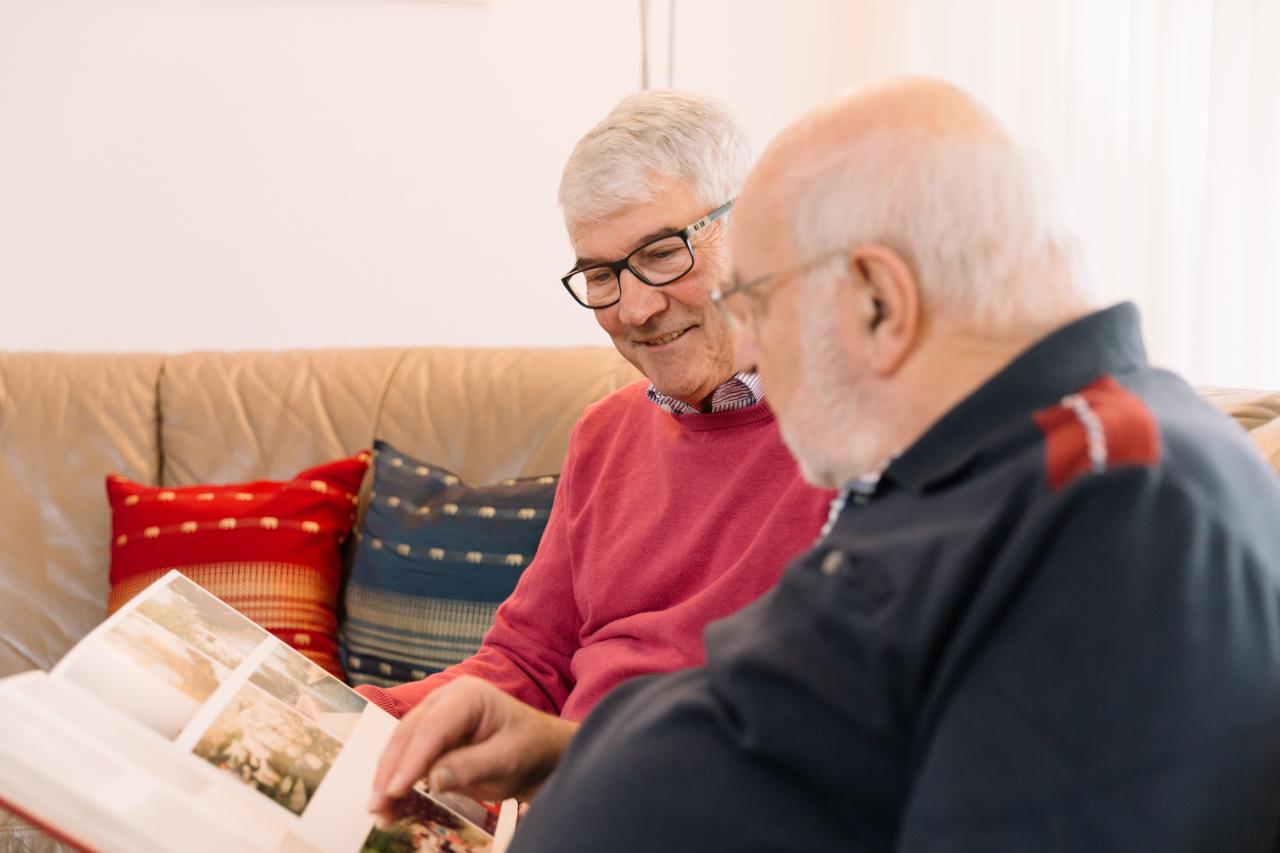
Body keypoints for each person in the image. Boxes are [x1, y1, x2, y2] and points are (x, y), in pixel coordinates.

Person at [372, 77, 1280, 849]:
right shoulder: (1006, 468)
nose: (752, 347)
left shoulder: (1115, 502)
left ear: (881, 299)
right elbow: (817, 757)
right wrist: (552, 754)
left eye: (761, 300)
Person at [362, 90, 835, 797]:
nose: (634, 306)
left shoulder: (859, 432)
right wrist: (354, 714)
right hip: (560, 806)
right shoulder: (605, 432)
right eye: (602, 274)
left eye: (662, 253)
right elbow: (527, 661)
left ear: (756, 225)